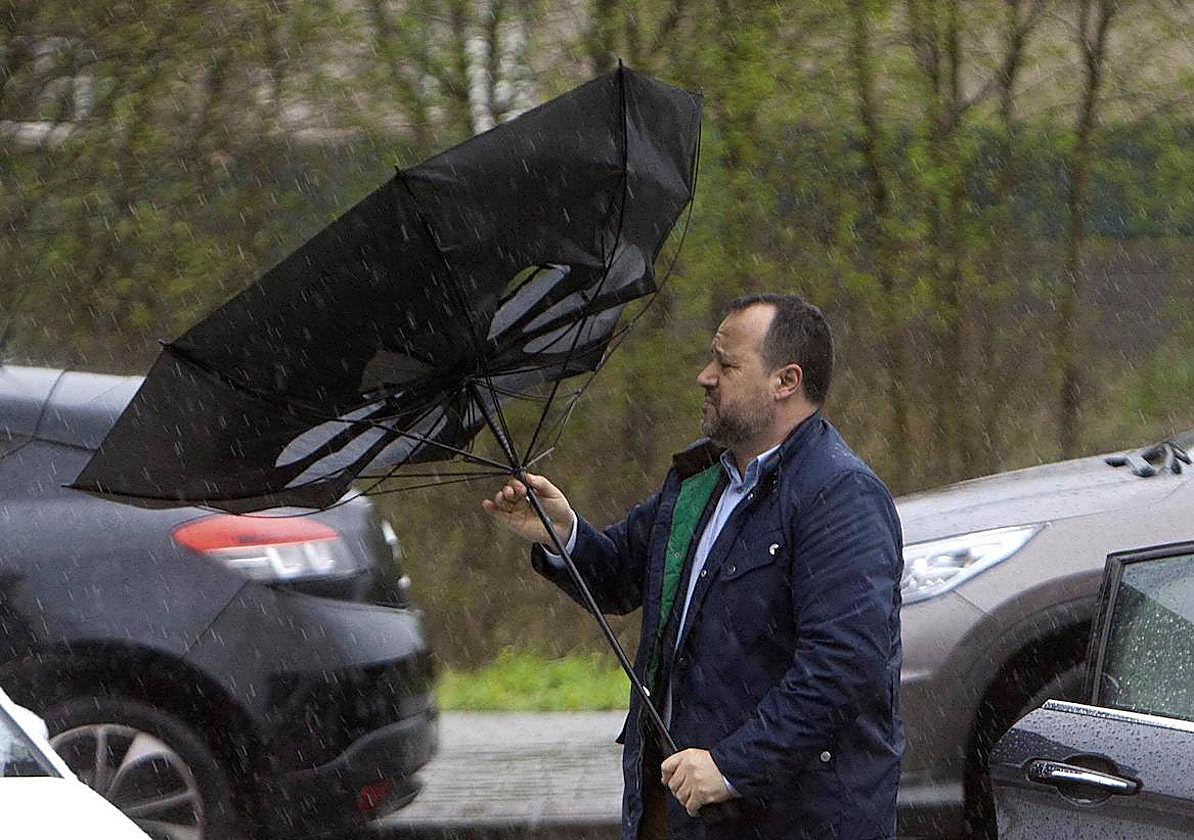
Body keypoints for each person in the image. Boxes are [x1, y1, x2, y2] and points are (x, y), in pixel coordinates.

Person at [482, 294, 904, 840]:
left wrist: (733, 764)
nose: (706, 377)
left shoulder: (839, 495)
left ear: (786, 380)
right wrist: (563, 534)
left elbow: (844, 667)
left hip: (795, 820)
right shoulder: (699, 478)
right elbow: (620, 578)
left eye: (727, 365)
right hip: (682, 810)